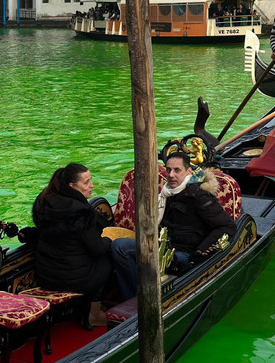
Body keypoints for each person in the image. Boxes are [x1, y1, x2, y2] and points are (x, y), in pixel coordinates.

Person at [111, 138, 236, 301]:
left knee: (127, 250)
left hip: (184, 254)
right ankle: (132, 298)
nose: (171, 175)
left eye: (177, 170)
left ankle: (142, 299)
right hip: (161, 246)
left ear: (189, 172)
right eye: (168, 170)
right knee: (118, 246)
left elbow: (227, 227)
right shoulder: (165, 194)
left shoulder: (199, 196)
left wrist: (200, 252)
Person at [30, 163, 112, 327]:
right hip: (71, 280)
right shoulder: (81, 212)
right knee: (106, 260)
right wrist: (109, 239)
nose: (92, 185)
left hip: (46, 275)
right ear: (72, 186)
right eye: (86, 182)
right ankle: (93, 314)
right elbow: (97, 249)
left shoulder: (44, 202)